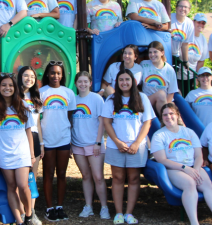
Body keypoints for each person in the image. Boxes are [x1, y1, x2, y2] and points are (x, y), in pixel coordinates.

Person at [151, 103, 212, 225]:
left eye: (171, 114)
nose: (168, 117)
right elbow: (162, 160)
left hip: (193, 167)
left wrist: (195, 170)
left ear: (177, 115)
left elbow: (198, 155)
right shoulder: (159, 135)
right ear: (162, 118)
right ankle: (194, 222)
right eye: (165, 115)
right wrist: (185, 168)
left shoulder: (189, 132)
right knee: (190, 183)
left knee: (208, 186)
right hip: (174, 169)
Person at [101, 69, 154, 225]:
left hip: (137, 146)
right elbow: (107, 123)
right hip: (115, 145)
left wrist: (137, 143)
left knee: (133, 178)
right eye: (121, 80)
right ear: (117, 82)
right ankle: (118, 213)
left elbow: (147, 122)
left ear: (133, 82)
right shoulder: (111, 99)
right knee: (117, 178)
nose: (124, 82)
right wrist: (117, 141)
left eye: (127, 79)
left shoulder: (142, 98)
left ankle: (129, 213)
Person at [0, 73, 35, 225]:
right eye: (3, 85)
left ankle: (29, 216)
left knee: (23, 186)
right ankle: (19, 221)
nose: (7, 88)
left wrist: (32, 155)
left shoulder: (24, 106)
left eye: (10, 85)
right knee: (11, 187)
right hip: (3, 153)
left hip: (22, 153)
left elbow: (29, 132)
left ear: (15, 88)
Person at [40, 60, 77, 221]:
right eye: (53, 72)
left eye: (58, 73)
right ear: (47, 74)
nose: (56, 76)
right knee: (48, 174)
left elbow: (70, 116)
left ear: (62, 76)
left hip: (63, 138)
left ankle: (60, 206)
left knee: (62, 174)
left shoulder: (68, 93)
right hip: (47, 139)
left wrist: (69, 140)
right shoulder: (41, 92)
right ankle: (49, 208)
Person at [71, 72, 110, 220]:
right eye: (79, 82)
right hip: (77, 145)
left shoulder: (97, 99)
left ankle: (104, 207)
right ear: (76, 84)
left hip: (94, 144)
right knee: (85, 176)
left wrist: (98, 142)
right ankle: (88, 206)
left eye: (85, 82)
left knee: (98, 177)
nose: (82, 84)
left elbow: (102, 122)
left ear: (90, 83)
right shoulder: (73, 100)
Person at [17, 66, 45, 225]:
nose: (29, 79)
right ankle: (21, 212)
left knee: (32, 177)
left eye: (32, 77)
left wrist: (41, 143)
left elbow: (38, 123)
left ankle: (31, 213)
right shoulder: (14, 95)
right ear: (20, 76)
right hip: (18, 136)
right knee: (20, 178)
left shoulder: (36, 96)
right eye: (26, 76)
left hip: (33, 137)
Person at [140, 41, 178, 112]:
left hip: (164, 101)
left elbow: (171, 92)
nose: (152, 55)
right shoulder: (144, 65)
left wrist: (167, 107)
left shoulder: (169, 70)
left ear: (162, 53)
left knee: (174, 111)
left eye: (155, 52)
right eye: (150, 52)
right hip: (148, 100)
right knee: (161, 94)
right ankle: (163, 119)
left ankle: (165, 116)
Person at [169, 0, 194, 70]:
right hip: (164, 54)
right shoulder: (169, 18)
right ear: (176, 8)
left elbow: (185, 44)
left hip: (176, 56)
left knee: (173, 77)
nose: (183, 9)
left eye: (185, 7)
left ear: (189, 10)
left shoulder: (189, 23)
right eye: (181, 6)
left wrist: (185, 61)